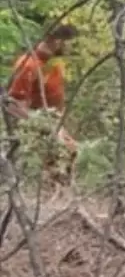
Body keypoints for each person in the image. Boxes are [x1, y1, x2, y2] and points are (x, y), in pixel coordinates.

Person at [3, 24, 78, 177]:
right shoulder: (28, 64)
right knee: (62, 152)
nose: (71, 47)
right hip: (33, 122)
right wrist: (39, 125)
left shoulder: (54, 63)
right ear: (56, 40)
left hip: (52, 120)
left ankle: (59, 194)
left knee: (71, 151)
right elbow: (13, 103)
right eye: (68, 42)